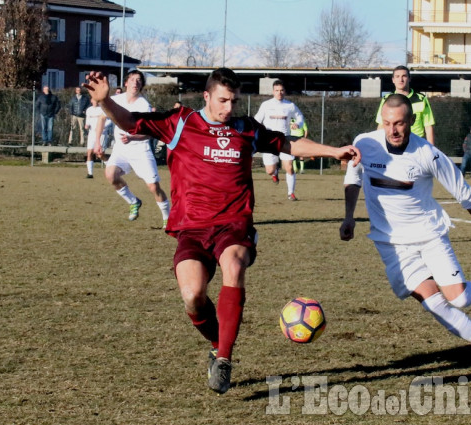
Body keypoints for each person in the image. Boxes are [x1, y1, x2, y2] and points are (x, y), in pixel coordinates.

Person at [83, 67, 360, 394]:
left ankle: (225, 360)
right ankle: (218, 342)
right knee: (193, 297)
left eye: (234, 101)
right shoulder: (181, 123)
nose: (229, 108)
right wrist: (105, 103)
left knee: (233, 266)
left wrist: (333, 151)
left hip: (233, 225)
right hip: (191, 228)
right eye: (223, 101)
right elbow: (131, 121)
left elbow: (287, 144)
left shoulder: (245, 128)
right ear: (207, 96)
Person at [340, 94, 471, 369]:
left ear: (411, 121)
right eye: (387, 123)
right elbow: (353, 176)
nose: (392, 130)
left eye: (398, 123)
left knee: (459, 298)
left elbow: (462, 192)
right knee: (434, 303)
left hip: (429, 235)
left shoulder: (427, 154)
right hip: (391, 244)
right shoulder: (365, 143)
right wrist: (349, 217)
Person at [93, 70, 170, 228]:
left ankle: (168, 218)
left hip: (140, 150)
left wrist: (133, 137)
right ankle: (134, 202)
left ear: (141, 85)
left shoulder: (144, 105)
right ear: (126, 83)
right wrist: (97, 142)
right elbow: (101, 118)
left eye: (139, 80)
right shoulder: (115, 100)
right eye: (133, 79)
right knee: (110, 175)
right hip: (121, 149)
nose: (136, 82)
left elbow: (150, 133)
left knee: (154, 187)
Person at [254, 79, 305, 201]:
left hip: (285, 140)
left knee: (289, 167)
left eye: (281, 90)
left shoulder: (290, 106)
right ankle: (274, 173)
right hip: (269, 140)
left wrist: (297, 124)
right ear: (273, 91)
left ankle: (290, 193)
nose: (279, 93)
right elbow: (257, 120)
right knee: (269, 170)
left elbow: (300, 118)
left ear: (284, 91)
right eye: (277, 90)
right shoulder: (266, 105)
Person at [375, 65, 436, 145]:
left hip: (416, 144)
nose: (401, 79)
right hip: (394, 143)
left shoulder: (421, 99)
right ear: (393, 80)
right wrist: (379, 146)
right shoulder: (386, 99)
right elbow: (381, 125)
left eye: (404, 76)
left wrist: (431, 150)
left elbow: (428, 126)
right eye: (397, 76)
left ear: (409, 79)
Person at [84, 98, 112, 178]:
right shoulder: (89, 110)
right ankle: (90, 173)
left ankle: (110, 167)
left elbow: (110, 121)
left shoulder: (103, 109)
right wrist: (87, 124)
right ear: (91, 101)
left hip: (102, 133)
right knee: (89, 152)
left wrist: (102, 127)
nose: (95, 102)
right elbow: (88, 119)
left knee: (99, 154)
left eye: (96, 100)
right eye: (93, 100)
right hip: (92, 133)